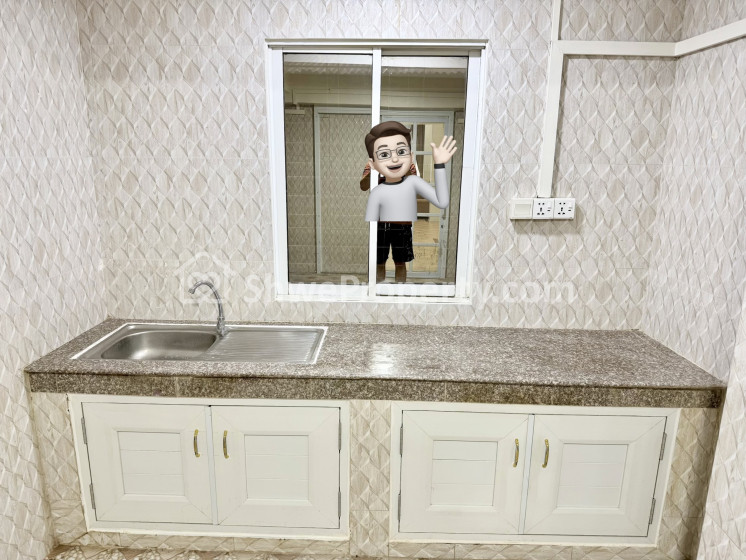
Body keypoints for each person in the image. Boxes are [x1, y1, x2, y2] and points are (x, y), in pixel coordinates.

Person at [362, 121, 457, 283]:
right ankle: (378, 291)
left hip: (402, 223)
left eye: (399, 150)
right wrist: (375, 171)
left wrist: (402, 170)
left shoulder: (408, 164)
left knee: (401, 262)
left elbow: (414, 185)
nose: (393, 158)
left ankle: (400, 290)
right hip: (380, 223)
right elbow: (363, 186)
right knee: (379, 261)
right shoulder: (372, 165)